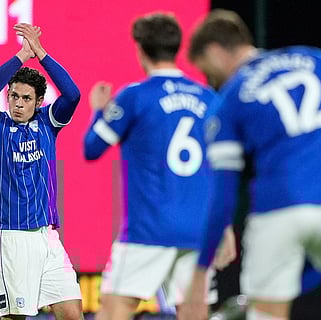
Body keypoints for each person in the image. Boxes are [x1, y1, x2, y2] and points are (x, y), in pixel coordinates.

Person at [179, 9, 321, 320]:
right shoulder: (319, 60)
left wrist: (199, 274)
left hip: (280, 214)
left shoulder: (230, 99)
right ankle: (247, 305)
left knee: (266, 310)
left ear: (214, 51)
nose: (213, 82)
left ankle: (246, 308)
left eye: (209, 73)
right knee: (292, 280)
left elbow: (224, 197)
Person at [82, 12, 229, 320]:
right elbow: (223, 166)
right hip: (198, 230)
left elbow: (92, 148)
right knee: (194, 314)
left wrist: (98, 112)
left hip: (148, 231)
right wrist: (225, 225)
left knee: (113, 312)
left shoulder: (135, 97)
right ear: (177, 47)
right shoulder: (208, 98)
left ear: (140, 49)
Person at [0, 23, 83, 319]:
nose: (18, 104)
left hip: (47, 239)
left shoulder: (47, 124)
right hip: (11, 238)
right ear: (7, 96)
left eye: (26, 99)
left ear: (38, 103)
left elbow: (72, 95)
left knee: (73, 314)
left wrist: (42, 53)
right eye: (14, 96)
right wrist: (23, 55)